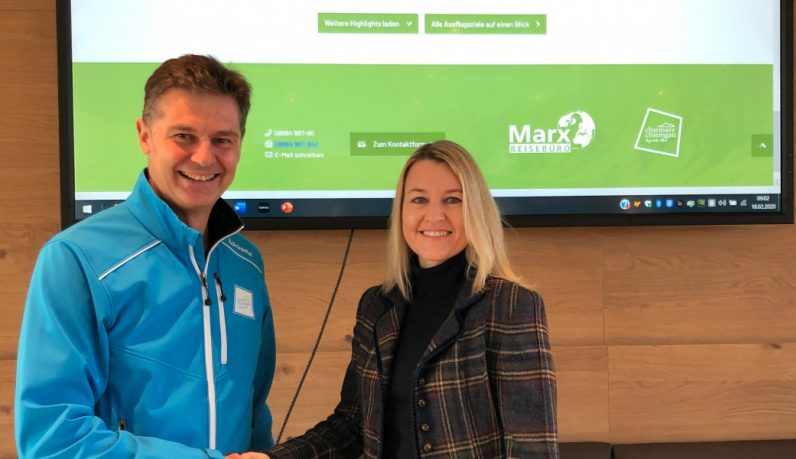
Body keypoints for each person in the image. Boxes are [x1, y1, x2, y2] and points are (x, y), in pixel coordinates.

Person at [15, 54, 276, 458]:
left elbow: (253, 417)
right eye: (184, 136)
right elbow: (52, 439)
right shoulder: (75, 259)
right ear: (144, 136)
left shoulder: (246, 263)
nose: (204, 158)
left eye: (222, 139)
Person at [246, 140, 558, 458]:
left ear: (476, 210)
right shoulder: (375, 306)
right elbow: (351, 423)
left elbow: (532, 448)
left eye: (453, 199)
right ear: (402, 211)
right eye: (419, 199)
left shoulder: (510, 305)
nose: (434, 215)